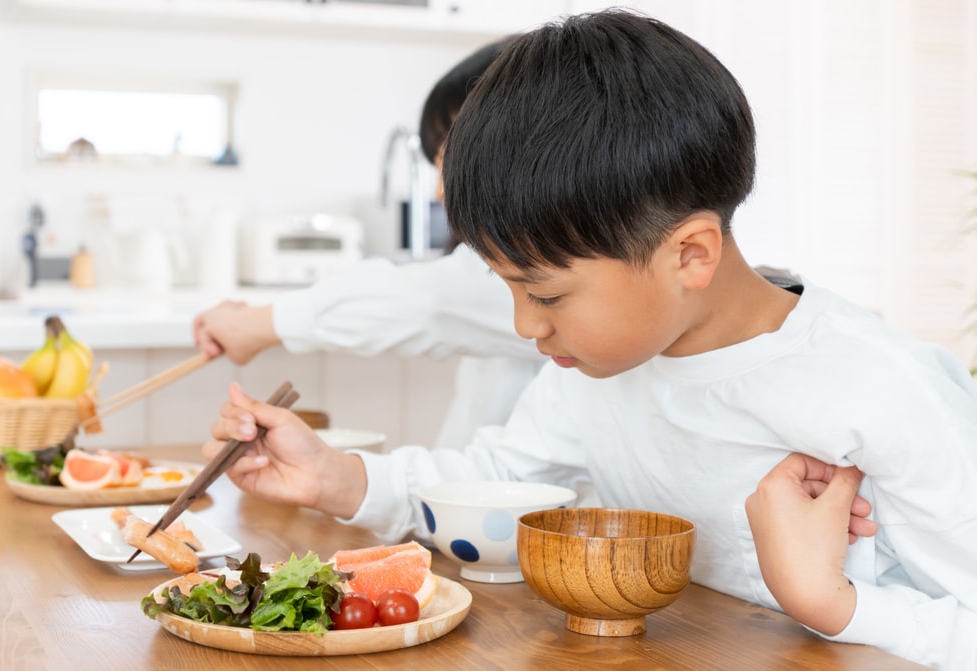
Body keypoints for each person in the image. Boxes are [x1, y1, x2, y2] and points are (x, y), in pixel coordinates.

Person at [202, 9, 977, 670]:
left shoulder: (884, 391)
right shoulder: (596, 367)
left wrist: (832, 603)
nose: (524, 326)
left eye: (544, 293)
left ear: (691, 255)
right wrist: (336, 478)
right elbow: (498, 480)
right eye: (506, 288)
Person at [192, 38, 541, 450]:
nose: (439, 193)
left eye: (451, 161)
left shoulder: (538, 270)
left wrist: (259, 323)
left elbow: (426, 302)